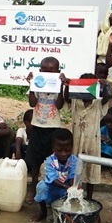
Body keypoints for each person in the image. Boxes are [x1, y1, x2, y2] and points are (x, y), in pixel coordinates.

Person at [24, 57, 66, 203]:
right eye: (45, 71)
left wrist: (61, 85)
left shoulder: (59, 87)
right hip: (37, 127)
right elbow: (32, 103)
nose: (48, 73)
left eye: (52, 71)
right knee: (34, 161)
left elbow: (59, 105)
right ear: (40, 71)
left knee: (52, 162)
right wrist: (32, 85)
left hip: (53, 129)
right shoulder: (38, 84)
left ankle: (50, 192)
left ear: (58, 72)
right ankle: (33, 187)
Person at [64, 73, 109, 199]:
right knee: (75, 169)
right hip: (77, 141)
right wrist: (67, 86)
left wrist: (104, 87)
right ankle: (73, 194)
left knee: (91, 169)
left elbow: (106, 100)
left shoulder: (98, 102)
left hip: (92, 143)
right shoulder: (75, 101)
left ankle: (89, 197)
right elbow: (66, 98)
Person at [32, 128, 78, 222]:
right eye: (59, 150)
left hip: (65, 191)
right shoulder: (50, 161)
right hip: (52, 189)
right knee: (41, 186)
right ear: (53, 148)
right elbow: (52, 179)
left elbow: (73, 176)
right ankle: (43, 211)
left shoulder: (74, 160)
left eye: (67, 150)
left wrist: (73, 188)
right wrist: (66, 187)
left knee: (76, 192)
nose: (63, 154)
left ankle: (66, 214)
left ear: (72, 147)